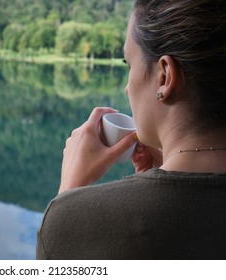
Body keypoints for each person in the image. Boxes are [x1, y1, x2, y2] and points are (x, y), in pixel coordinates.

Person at [36, 0, 226, 259]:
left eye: (128, 64)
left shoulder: (76, 220)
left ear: (164, 77)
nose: (127, 88)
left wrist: (67, 203)